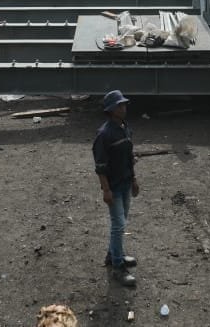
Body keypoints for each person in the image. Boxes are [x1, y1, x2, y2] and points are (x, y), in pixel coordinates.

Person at [93, 89, 138, 287]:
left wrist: (134, 180)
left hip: (126, 182)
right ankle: (118, 267)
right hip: (114, 187)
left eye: (124, 104)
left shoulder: (125, 128)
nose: (124, 107)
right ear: (111, 110)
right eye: (120, 105)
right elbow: (100, 166)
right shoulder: (104, 135)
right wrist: (106, 190)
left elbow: (129, 158)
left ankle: (112, 256)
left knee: (121, 222)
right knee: (118, 224)